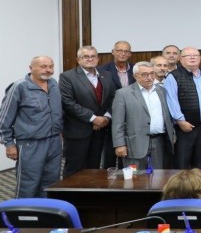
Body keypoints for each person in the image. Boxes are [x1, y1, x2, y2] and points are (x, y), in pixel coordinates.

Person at [0, 56, 64, 198]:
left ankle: (46, 211)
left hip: (54, 142)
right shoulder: (19, 87)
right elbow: (4, 118)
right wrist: (9, 144)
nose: (48, 70)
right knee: (28, 183)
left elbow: (57, 112)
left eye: (51, 66)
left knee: (52, 182)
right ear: (31, 68)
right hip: (30, 144)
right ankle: (22, 212)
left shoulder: (53, 84)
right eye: (43, 66)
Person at [59, 45, 117, 177]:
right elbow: (68, 103)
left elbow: (113, 98)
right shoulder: (67, 77)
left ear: (98, 59)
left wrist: (106, 117)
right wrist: (93, 118)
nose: (90, 59)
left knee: (94, 169)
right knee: (74, 170)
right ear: (78, 59)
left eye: (93, 56)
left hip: (100, 131)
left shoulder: (106, 75)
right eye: (86, 56)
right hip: (77, 132)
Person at [165, 47, 201, 169]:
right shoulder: (173, 76)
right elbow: (171, 99)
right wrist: (180, 120)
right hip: (184, 128)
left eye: (195, 55)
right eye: (188, 55)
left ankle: (200, 182)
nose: (192, 57)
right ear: (181, 59)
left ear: (200, 59)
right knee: (182, 162)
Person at [112, 61, 176, 169]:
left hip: (159, 141)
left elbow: (168, 116)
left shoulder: (162, 91)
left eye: (152, 73)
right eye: (145, 74)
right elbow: (118, 122)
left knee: (158, 176)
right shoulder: (123, 94)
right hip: (134, 144)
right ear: (135, 76)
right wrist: (119, 144)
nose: (149, 78)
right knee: (135, 177)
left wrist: (173, 135)